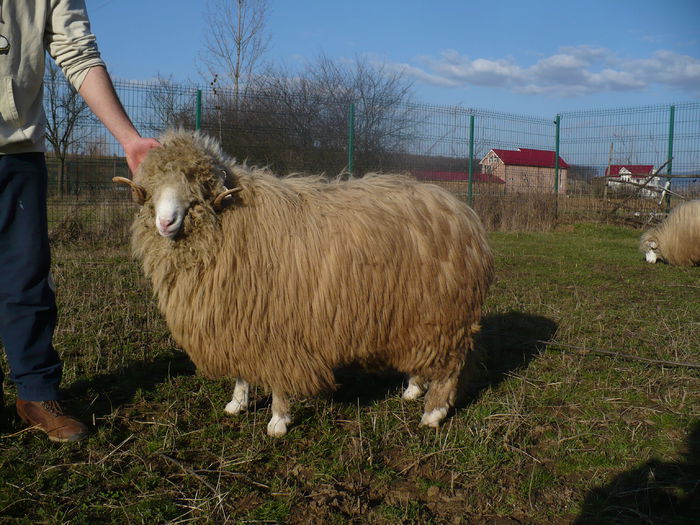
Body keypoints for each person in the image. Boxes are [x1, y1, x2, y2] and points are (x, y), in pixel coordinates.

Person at [0, 0, 159, 442]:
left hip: (15, 151)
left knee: (26, 278)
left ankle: (37, 392)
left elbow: (78, 51)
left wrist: (128, 138)